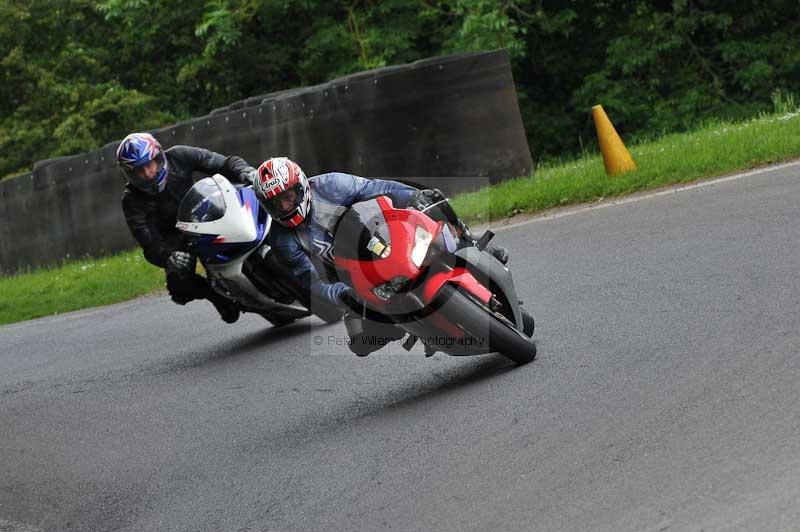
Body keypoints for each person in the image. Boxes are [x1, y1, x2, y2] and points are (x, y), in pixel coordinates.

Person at [252, 156, 508, 356]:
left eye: (288, 196)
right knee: (361, 343)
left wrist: (413, 197)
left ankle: (472, 242)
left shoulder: (330, 185)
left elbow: (376, 188)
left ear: (302, 186)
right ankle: (417, 328)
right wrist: (342, 294)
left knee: (433, 202)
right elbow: (312, 282)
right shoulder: (282, 241)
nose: (285, 206)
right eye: (276, 203)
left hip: (382, 236)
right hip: (353, 279)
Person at [116, 132, 257, 323]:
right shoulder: (131, 200)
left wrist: (245, 171)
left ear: (158, 157)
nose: (147, 174)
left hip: (205, 213)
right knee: (179, 285)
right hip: (176, 238)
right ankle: (215, 296)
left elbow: (222, 162)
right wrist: (169, 257)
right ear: (130, 174)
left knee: (249, 205)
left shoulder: (179, 155)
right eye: (139, 171)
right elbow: (149, 242)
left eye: (149, 165)